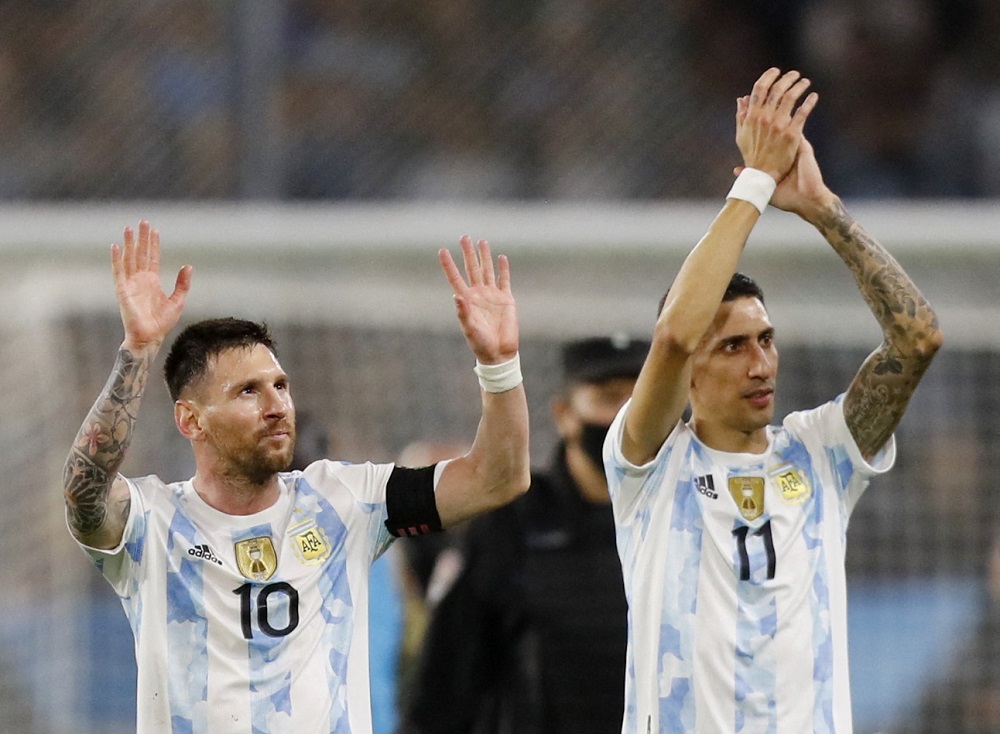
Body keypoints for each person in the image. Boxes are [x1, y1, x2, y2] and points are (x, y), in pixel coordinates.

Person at [61, 224, 530, 734]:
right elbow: (83, 493)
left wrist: (499, 364)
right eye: (248, 391)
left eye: (280, 385)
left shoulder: (347, 501)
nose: (278, 406)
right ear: (191, 420)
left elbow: (497, 478)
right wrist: (137, 350)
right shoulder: (150, 523)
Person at [603, 67, 943, 732]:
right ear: (690, 373)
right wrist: (754, 183)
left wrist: (820, 207)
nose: (761, 363)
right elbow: (674, 334)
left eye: (766, 339)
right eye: (732, 347)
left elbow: (918, 336)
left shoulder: (821, 454)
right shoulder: (646, 464)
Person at [401, 334, 650, 734]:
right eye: (609, 398)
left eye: (641, 401)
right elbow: (446, 682)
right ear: (565, 414)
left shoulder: (685, 516)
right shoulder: (512, 521)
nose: (628, 417)